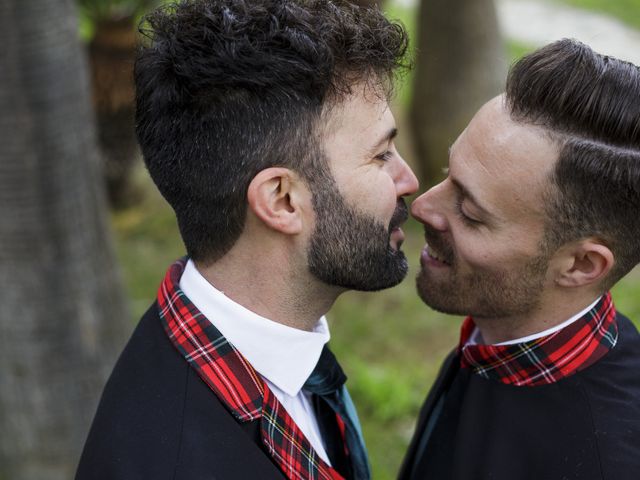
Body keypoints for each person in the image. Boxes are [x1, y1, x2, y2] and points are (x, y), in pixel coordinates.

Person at [76, 1, 418, 479]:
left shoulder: (258, 360)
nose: (410, 181)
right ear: (281, 200)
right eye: (381, 155)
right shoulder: (179, 461)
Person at [400, 39, 640, 480]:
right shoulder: (498, 341)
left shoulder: (605, 461)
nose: (422, 208)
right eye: (447, 175)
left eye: (471, 213)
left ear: (581, 265)